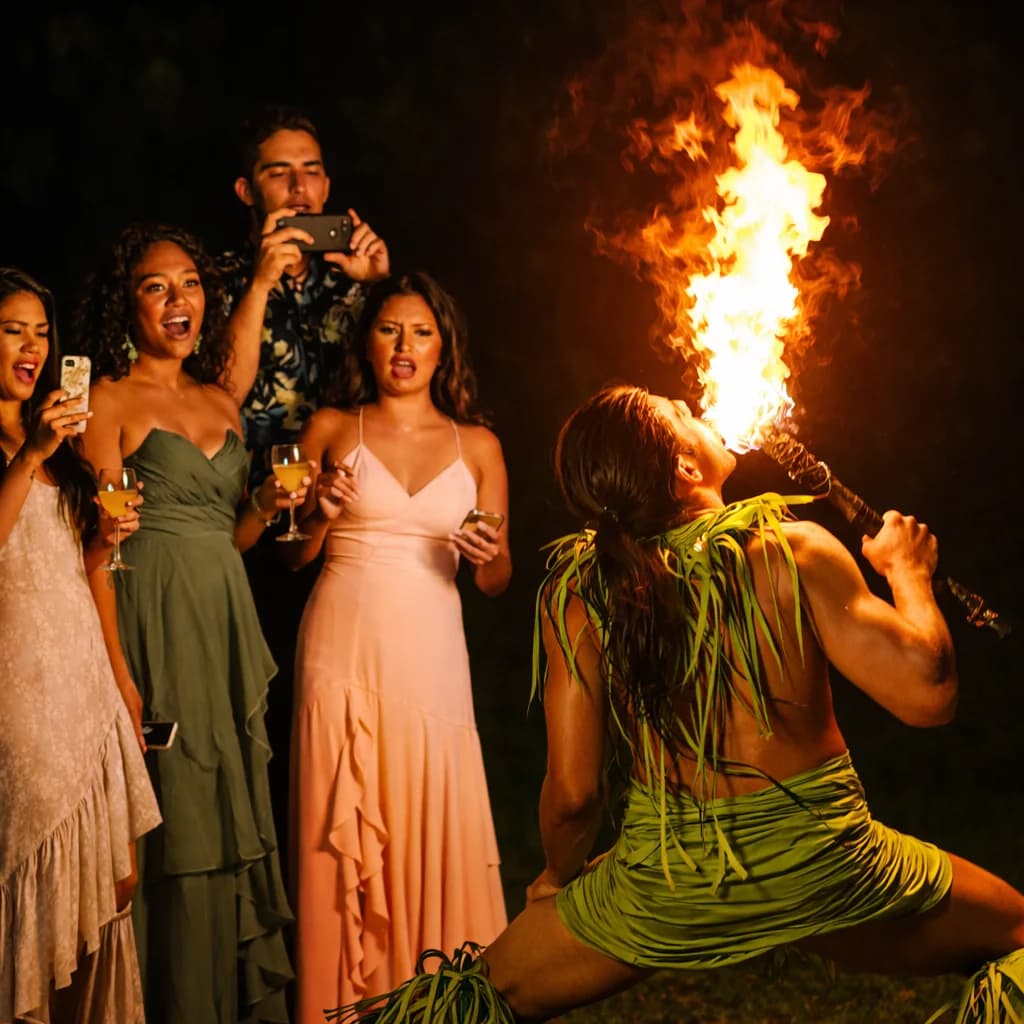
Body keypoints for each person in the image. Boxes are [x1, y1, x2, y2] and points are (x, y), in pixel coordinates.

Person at [333, 383, 1024, 1023]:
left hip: (667, 881)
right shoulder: (793, 550)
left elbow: (573, 795)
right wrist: (910, 575)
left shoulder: (579, 591)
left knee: (468, 1002)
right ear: (686, 473)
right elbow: (928, 697)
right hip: (822, 869)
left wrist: (558, 877)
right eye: (683, 416)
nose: (701, 411)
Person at [71, 223, 308, 1024]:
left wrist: (267, 507)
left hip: (226, 626)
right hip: (152, 623)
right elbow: (97, 546)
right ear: (125, 304)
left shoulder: (219, 402)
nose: (180, 301)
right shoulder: (107, 399)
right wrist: (119, 676)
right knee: (169, 823)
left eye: (190, 284)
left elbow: (230, 535)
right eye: (156, 286)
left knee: (225, 800)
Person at [283, 271, 511, 1018]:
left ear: (444, 347)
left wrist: (487, 552)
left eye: (420, 332)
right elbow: (292, 556)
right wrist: (317, 511)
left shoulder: (477, 445)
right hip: (341, 648)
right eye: (389, 330)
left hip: (433, 656)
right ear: (368, 342)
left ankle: (437, 1004)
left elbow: (497, 579)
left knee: (431, 819)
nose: (404, 346)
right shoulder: (328, 427)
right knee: (339, 832)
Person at [216, 102, 391, 867]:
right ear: (246, 191)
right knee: (252, 729)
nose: (298, 187)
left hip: (342, 531)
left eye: (311, 169)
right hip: (240, 534)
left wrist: (376, 287)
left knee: (342, 734)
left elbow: (398, 394)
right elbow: (219, 395)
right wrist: (258, 282)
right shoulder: (215, 283)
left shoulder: (355, 287)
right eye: (277, 172)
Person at [0, 266, 161, 1023]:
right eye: (12, 331)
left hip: (85, 678)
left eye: (40, 332)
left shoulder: (59, 441)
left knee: (117, 882)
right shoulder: (33, 446)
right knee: (49, 891)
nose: (31, 347)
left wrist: (104, 538)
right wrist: (27, 455)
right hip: (21, 685)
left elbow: (82, 567)